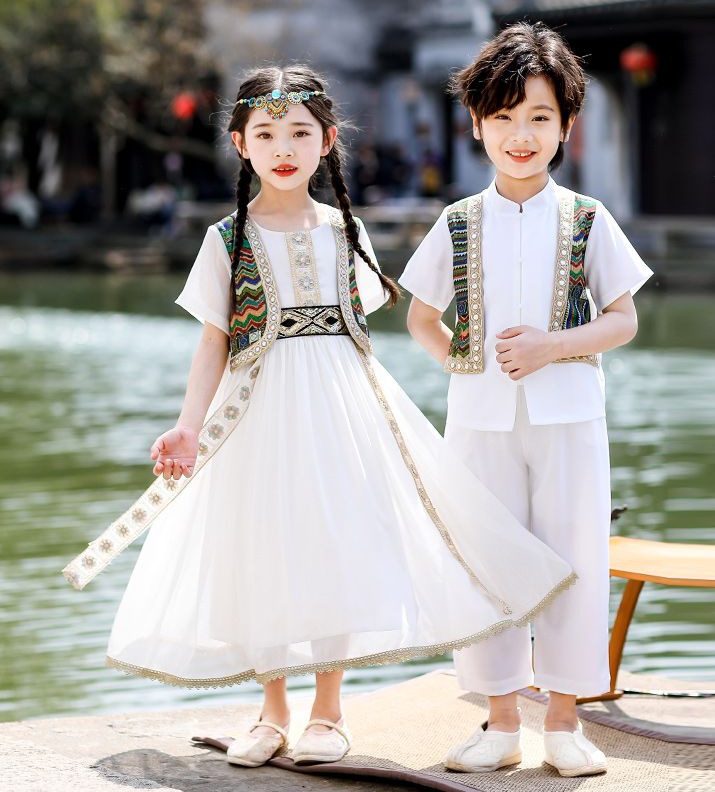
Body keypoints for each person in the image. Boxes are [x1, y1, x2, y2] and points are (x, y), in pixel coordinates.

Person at [61, 65, 575, 769]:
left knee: (336, 541)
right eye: (266, 133)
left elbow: (357, 327)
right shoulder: (225, 239)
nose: (284, 147)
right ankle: (272, 711)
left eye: (300, 133)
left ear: (327, 141)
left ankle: (329, 712)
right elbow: (214, 341)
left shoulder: (345, 230)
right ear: (240, 143)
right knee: (266, 546)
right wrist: (188, 425)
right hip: (257, 412)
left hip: (339, 407)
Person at [400, 23, 653, 777]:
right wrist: (465, 364)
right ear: (477, 124)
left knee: (574, 561)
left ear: (566, 126)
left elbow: (624, 318)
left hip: (571, 420)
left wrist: (552, 346)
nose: (521, 134)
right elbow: (420, 317)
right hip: (477, 425)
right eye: (504, 118)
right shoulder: (456, 222)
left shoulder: (586, 218)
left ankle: (568, 724)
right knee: (484, 563)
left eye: (539, 117)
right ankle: (501, 722)